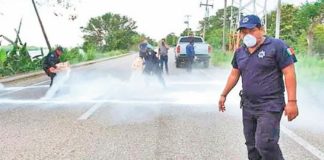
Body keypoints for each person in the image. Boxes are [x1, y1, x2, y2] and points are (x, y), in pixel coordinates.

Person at [218, 14, 298, 160]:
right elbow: (234, 75)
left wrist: (292, 102)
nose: (247, 35)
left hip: (270, 104)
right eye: (243, 32)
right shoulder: (240, 52)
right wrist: (223, 94)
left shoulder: (277, 46)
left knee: (265, 143)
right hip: (248, 105)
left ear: (261, 29)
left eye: (251, 30)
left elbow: (289, 73)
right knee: (252, 147)